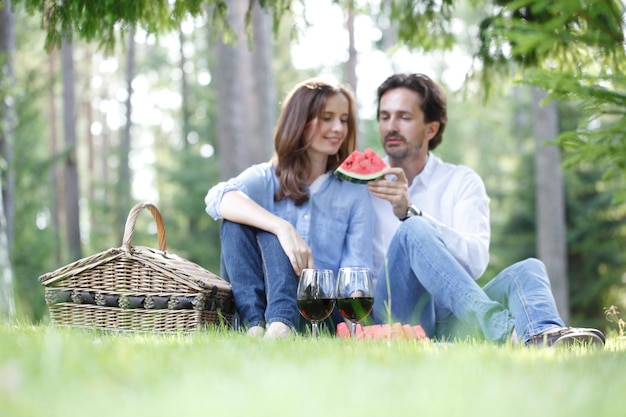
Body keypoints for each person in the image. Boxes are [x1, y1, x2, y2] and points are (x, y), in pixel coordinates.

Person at [366, 72, 605, 347]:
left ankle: (544, 337)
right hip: (395, 314)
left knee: (529, 269)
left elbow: (476, 262)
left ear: (431, 128)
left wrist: (411, 212)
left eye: (404, 117)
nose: (390, 127)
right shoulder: (363, 186)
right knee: (412, 229)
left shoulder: (461, 182)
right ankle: (505, 333)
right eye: (384, 117)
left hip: (453, 315)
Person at [205, 78, 374, 339]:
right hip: (261, 308)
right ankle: (256, 326)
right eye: (327, 118)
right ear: (300, 120)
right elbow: (217, 198)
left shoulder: (354, 193)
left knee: (263, 228)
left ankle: (280, 325)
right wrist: (282, 228)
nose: (338, 128)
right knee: (237, 221)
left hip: (321, 312)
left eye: (343, 119)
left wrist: (355, 322)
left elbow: (357, 269)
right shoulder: (266, 177)